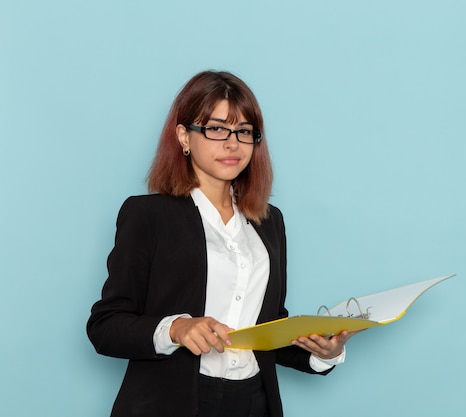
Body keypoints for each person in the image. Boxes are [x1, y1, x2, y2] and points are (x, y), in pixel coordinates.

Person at [87, 70, 356, 417]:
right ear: (184, 136)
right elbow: (105, 326)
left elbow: (266, 328)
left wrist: (323, 354)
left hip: (253, 401)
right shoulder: (147, 215)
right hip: (171, 403)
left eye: (244, 131)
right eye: (216, 129)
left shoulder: (269, 221)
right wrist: (176, 328)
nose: (233, 143)